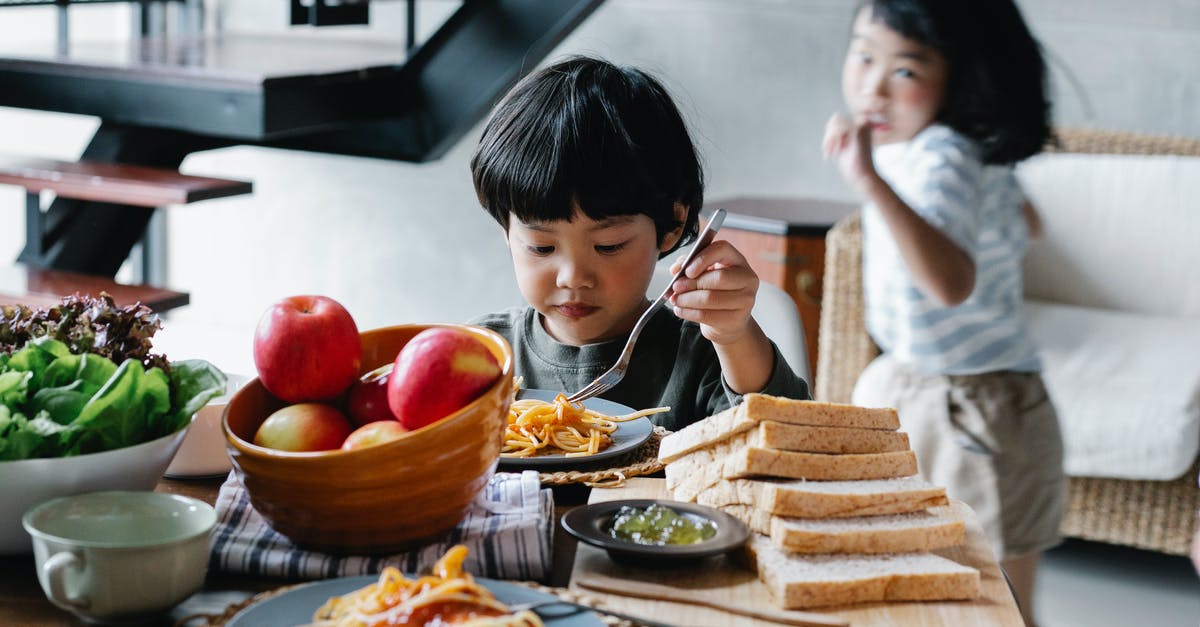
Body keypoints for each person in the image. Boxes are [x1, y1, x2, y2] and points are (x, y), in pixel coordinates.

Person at [821, 1, 1062, 625]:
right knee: (925, 588)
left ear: (962, 77)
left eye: (905, 70)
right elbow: (1026, 224)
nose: (872, 85)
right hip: (916, 386)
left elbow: (951, 283)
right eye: (864, 53)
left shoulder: (944, 154)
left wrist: (869, 182)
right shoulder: (945, 150)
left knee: (989, 601)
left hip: (971, 409)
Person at [468, 56, 809, 431]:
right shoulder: (481, 354)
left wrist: (734, 336)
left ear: (672, 227)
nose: (573, 277)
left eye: (609, 246)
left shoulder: (700, 358)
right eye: (541, 247)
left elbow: (792, 439)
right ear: (507, 232)